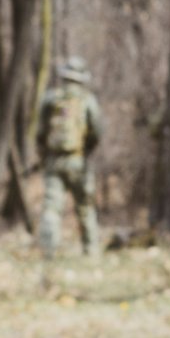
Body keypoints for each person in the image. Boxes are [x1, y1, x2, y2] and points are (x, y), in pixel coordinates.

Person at [36, 56, 104, 258]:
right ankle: (91, 251)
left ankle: (48, 251)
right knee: (85, 207)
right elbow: (97, 131)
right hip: (78, 161)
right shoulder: (87, 100)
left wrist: (44, 154)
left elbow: (40, 132)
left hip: (54, 161)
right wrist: (86, 151)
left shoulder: (51, 98)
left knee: (51, 207)